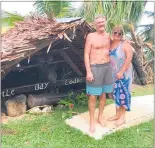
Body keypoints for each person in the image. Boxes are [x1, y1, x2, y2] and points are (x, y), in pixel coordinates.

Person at [84, 15, 113, 133]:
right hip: (95, 68)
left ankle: (100, 116)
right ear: (95, 24)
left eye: (102, 22)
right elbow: (86, 54)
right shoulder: (90, 36)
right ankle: (92, 121)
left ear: (105, 22)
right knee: (92, 96)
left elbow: (116, 47)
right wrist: (88, 71)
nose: (101, 24)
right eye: (98, 22)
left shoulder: (108, 36)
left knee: (103, 94)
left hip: (107, 67)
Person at [108, 25, 133, 126]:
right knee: (116, 93)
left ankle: (122, 117)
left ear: (122, 35)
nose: (117, 35)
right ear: (112, 33)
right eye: (115, 32)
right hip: (114, 74)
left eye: (120, 33)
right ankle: (117, 114)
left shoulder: (125, 44)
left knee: (124, 94)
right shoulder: (110, 43)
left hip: (124, 74)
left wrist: (122, 71)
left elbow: (129, 57)